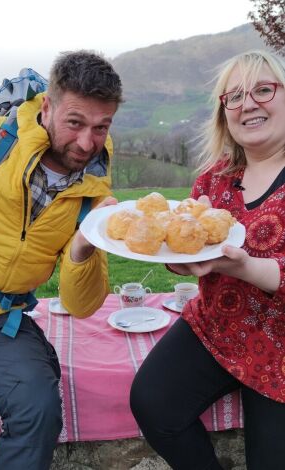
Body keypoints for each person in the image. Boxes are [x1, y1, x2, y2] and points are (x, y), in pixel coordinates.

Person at [130, 49, 285, 470]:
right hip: (216, 325)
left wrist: (243, 266)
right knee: (153, 404)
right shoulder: (214, 179)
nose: (247, 103)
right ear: (224, 113)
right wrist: (177, 260)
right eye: (233, 97)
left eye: (263, 90)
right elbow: (184, 243)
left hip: (282, 350)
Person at [0, 50, 122, 469]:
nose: (86, 143)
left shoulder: (94, 190)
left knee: (38, 409)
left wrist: (83, 249)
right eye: (75, 123)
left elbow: (81, 305)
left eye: (101, 127)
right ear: (47, 107)